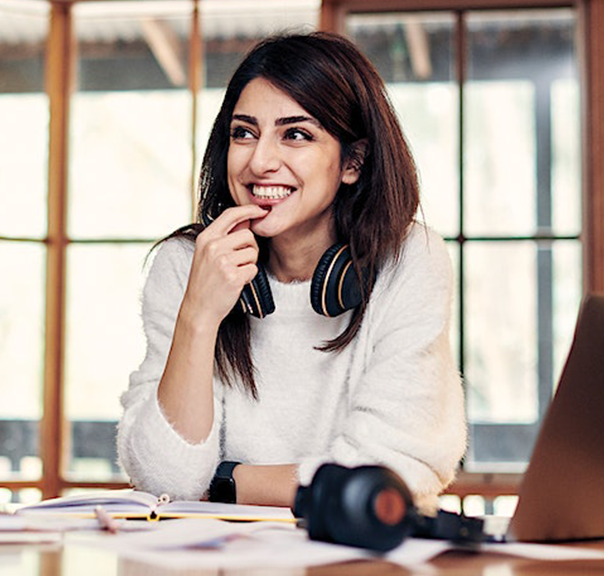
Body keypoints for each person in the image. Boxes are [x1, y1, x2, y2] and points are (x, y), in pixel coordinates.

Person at [116, 31, 466, 514]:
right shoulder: (189, 263)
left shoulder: (408, 258)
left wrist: (224, 482)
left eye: (296, 134)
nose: (260, 161)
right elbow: (164, 478)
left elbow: (390, 470)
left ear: (353, 162)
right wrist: (198, 315)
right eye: (243, 132)